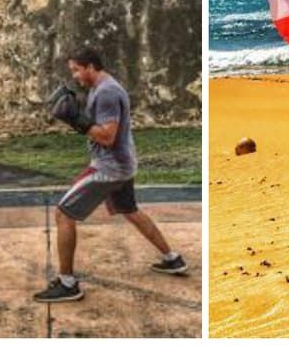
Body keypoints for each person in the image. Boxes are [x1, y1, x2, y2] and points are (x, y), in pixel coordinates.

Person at [33, 46, 189, 303]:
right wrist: (81, 117)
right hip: (123, 163)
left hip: (110, 167)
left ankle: (68, 283)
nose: (74, 76)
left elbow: (107, 136)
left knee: (63, 214)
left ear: (90, 67)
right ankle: (172, 259)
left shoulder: (106, 92)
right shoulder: (101, 88)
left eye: (76, 70)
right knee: (130, 210)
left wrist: (76, 121)